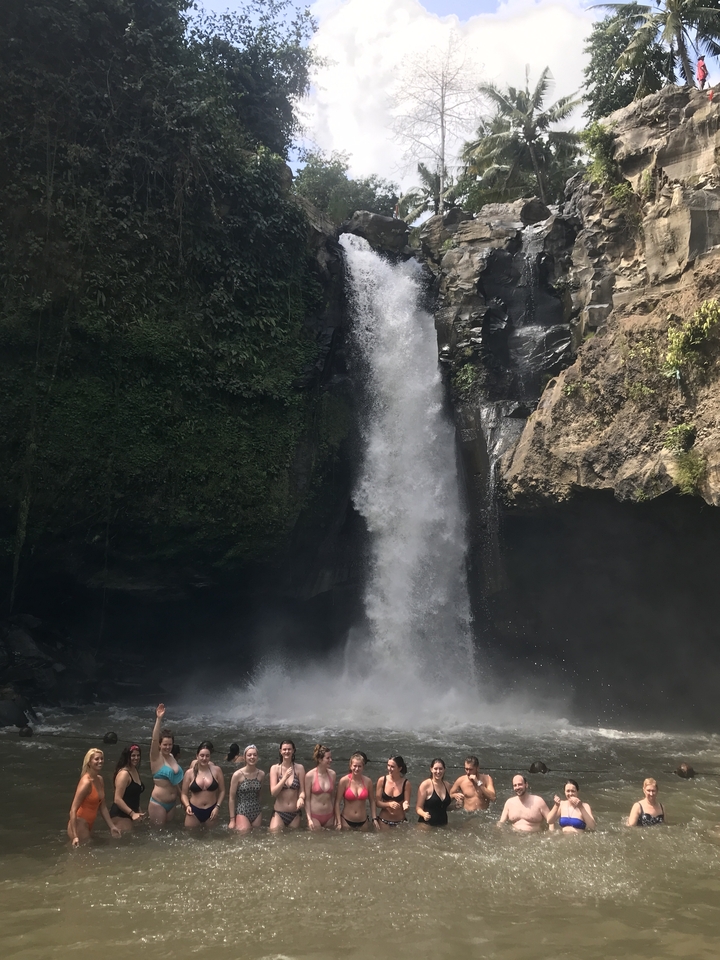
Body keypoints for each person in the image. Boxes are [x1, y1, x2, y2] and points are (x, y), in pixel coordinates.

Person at [67, 748, 122, 846]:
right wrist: (75, 836)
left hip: (88, 824)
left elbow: (103, 806)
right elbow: (73, 810)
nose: (100, 761)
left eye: (102, 759)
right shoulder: (86, 782)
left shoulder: (99, 780)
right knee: (84, 854)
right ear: (89, 762)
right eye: (96, 759)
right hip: (79, 824)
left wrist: (112, 826)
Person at [148, 703, 183, 825]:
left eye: (170, 745)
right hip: (158, 803)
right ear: (160, 745)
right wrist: (159, 719)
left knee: (170, 833)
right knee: (159, 835)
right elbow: (154, 739)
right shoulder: (156, 758)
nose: (168, 747)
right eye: (165, 745)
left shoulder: (172, 757)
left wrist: (183, 799)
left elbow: (174, 782)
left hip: (172, 804)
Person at [180, 741, 225, 827]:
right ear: (197, 756)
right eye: (202, 755)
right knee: (190, 837)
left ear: (210, 757)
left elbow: (222, 791)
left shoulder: (217, 770)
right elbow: (184, 794)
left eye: (207, 756)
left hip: (212, 810)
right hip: (193, 810)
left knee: (211, 838)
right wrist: (187, 806)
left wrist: (217, 807)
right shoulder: (189, 773)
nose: (204, 758)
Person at [269, 739, 306, 831]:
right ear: (280, 751)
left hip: (295, 813)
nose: (287, 751)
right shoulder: (275, 769)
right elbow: (273, 793)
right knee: (275, 838)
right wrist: (284, 778)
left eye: (289, 749)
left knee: (292, 842)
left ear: (293, 750)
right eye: (284, 749)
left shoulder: (299, 768)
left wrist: (301, 798)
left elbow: (302, 790)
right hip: (279, 812)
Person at [335, 752, 378, 830]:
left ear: (363, 767)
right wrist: (338, 822)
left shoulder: (368, 781)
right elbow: (337, 802)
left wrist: (374, 818)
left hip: (363, 821)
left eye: (359, 766)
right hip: (346, 820)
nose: (357, 769)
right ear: (351, 766)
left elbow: (372, 801)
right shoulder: (344, 781)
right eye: (355, 766)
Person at [228, 744, 265, 833]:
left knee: (257, 839)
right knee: (243, 839)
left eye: (255, 755)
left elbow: (260, 795)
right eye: (249, 755)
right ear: (244, 757)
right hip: (242, 811)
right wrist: (232, 819)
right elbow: (231, 798)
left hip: (257, 811)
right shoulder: (237, 775)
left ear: (257, 757)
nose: (252, 757)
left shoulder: (261, 774)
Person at [110, 744, 145, 832]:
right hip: (120, 815)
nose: (136, 758)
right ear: (127, 756)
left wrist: (138, 810)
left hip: (130, 814)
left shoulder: (134, 770)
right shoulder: (124, 774)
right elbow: (117, 799)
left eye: (138, 755)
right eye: (133, 755)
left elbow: (133, 795)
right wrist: (132, 814)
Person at [305, 743, 337, 830]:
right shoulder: (309, 776)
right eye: (328, 758)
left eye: (331, 757)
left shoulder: (332, 774)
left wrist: (336, 816)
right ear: (319, 759)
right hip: (315, 817)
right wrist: (309, 819)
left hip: (329, 815)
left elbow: (333, 797)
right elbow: (307, 800)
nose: (331, 760)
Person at [375, 755, 411, 828]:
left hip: (400, 822)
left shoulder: (406, 783)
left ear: (400, 768)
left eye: (392, 767)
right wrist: (389, 804)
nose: (389, 769)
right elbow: (377, 803)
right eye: (388, 765)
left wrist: (406, 805)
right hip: (383, 821)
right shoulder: (382, 780)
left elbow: (406, 802)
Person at [416, 758, 452, 827]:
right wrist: (424, 814)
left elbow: (443, 807)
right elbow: (418, 807)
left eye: (440, 769)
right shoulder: (425, 785)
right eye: (435, 769)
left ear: (444, 770)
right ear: (431, 769)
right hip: (426, 826)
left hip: (443, 826)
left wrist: (455, 807)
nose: (438, 771)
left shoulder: (447, 785)